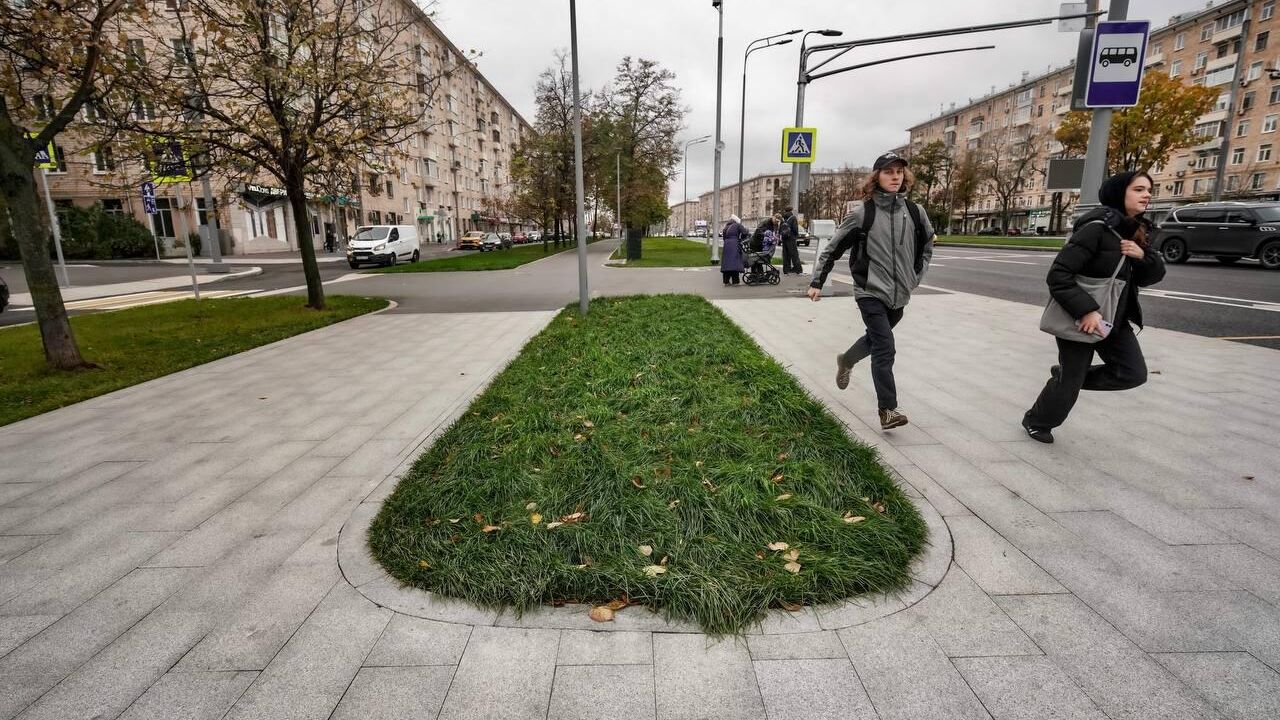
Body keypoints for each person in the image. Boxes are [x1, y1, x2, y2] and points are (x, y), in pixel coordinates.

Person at [1021, 171, 1166, 444]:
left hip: (1115, 319)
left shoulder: (1140, 231)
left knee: (1132, 373)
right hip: (1081, 318)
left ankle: (1066, 378)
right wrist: (1086, 310)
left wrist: (1143, 256)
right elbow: (1058, 275)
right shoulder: (1096, 228)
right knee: (1070, 384)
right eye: (1138, 189)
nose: (1147, 194)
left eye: (1149, 189)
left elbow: (1150, 277)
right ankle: (1037, 420)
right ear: (1119, 193)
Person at [807, 151, 935, 430]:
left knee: (876, 340)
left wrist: (914, 277)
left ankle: (846, 359)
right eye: (889, 172)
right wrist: (817, 281)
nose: (895, 177)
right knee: (885, 347)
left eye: (899, 172)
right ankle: (887, 410)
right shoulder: (863, 213)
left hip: (900, 293)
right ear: (876, 177)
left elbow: (927, 246)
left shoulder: (915, 212)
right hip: (870, 291)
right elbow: (833, 249)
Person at [720, 214, 748, 286]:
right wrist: (741, 239)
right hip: (735, 244)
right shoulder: (737, 225)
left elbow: (724, 238)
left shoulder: (726, 227)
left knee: (727, 263)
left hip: (726, 245)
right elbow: (745, 232)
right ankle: (735, 281)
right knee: (735, 263)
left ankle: (726, 281)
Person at [780, 206, 803, 274]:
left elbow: (780, 229)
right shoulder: (793, 218)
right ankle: (798, 269)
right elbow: (795, 228)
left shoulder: (783, 218)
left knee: (786, 254)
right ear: (791, 210)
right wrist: (796, 235)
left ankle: (786, 269)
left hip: (784, 238)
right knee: (794, 254)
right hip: (791, 238)